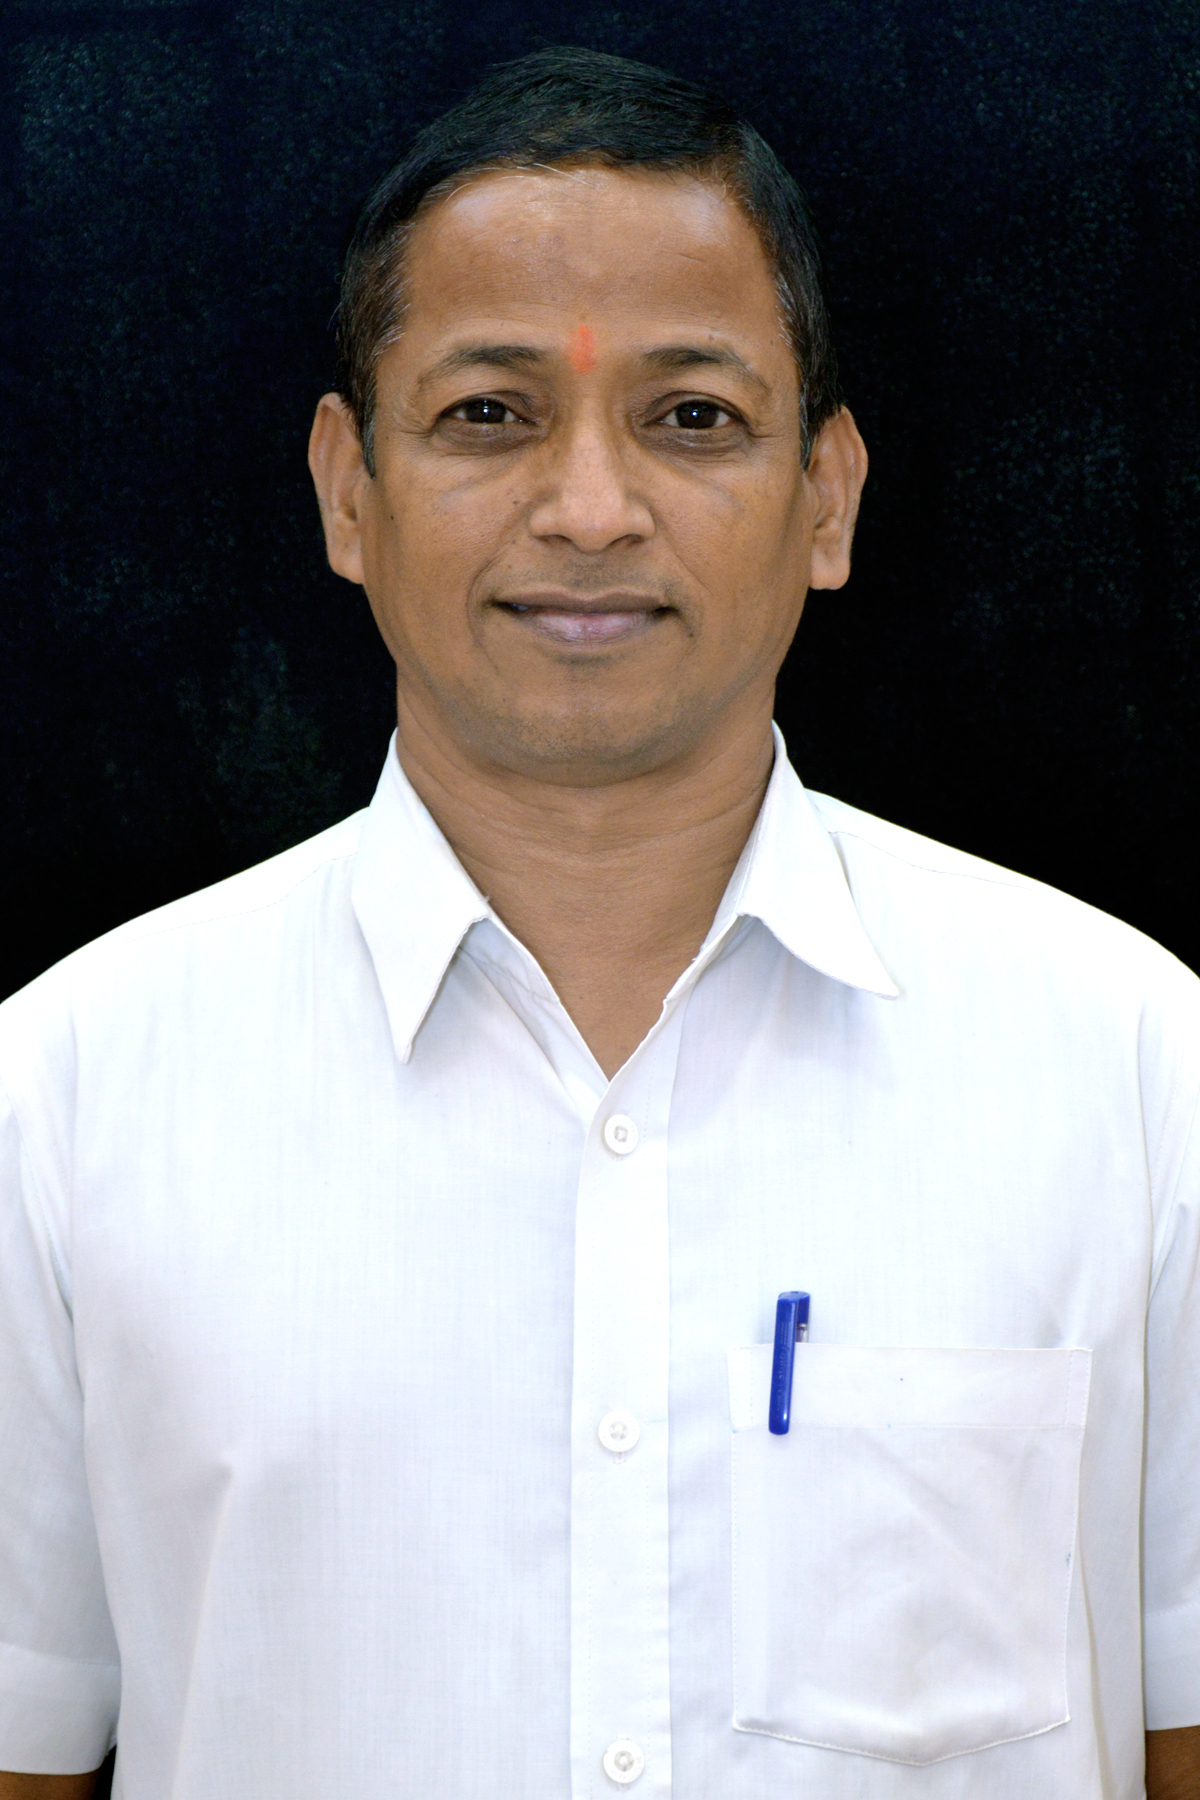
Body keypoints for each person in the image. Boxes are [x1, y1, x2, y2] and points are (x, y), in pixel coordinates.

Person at [1, 45, 1197, 1800]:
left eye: (691, 416)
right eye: (489, 413)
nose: (586, 509)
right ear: (347, 491)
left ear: (828, 497)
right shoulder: (64, 1094)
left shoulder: (1136, 1068)